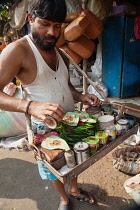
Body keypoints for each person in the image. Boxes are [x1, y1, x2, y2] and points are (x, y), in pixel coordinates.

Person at [0, 0, 100, 209]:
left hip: (70, 121)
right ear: (30, 19)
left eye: (57, 26)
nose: (52, 32)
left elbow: (63, 85)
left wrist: (80, 96)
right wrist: (30, 106)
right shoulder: (17, 51)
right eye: (44, 24)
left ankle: (74, 188)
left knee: (73, 159)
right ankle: (64, 198)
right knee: (53, 167)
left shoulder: (60, 53)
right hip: (45, 128)